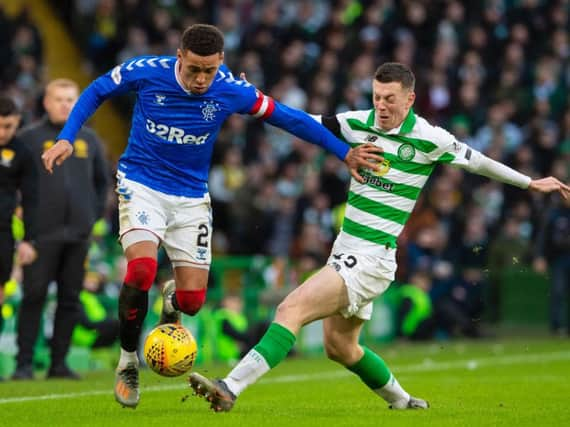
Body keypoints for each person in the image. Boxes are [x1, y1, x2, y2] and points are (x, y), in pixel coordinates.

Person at [188, 62, 570, 412]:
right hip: (347, 250)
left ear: (410, 99)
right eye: (376, 97)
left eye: (390, 99)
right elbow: (301, 120)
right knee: (341, 347)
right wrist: (255, 98)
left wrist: (530, 183)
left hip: (371, 257)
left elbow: (478, 161)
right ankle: (403, 402)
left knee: (291, 309)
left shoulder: (429, 138)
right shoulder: (357, 123)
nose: (382, 106)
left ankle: (230, 387)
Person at [40, 24, 380, 408]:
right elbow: (99, 88)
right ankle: (129, 360)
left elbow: (287, 117)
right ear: (180, 57)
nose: (202, 79)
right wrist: (68, 135)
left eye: (210, 70)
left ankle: (171, 304)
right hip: (141, 184)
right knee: (140, 271)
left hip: (190, 198)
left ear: (221, 62)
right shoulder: (148, 71)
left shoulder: (230, 89)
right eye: (193, 70)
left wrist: (342, 151)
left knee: (193, 302)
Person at [12, 79, 109, 380]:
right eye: (60, 99)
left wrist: (89, 219)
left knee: (70, 299)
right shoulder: (27, 138)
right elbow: (12, 184)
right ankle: (24, 364)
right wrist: (25, 232)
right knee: (33, 297)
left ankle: (59, 364)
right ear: (46, 102)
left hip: (78, 236)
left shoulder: (90, 139)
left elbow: (102, 183)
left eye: (71, 99)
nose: (66, 105)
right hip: (40, 236)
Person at [0, 96, 38, 365]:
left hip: (3, 232)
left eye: (9, 127)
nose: (3, 133)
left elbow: (31, 199)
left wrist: (28, 240)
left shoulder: (22, 154)